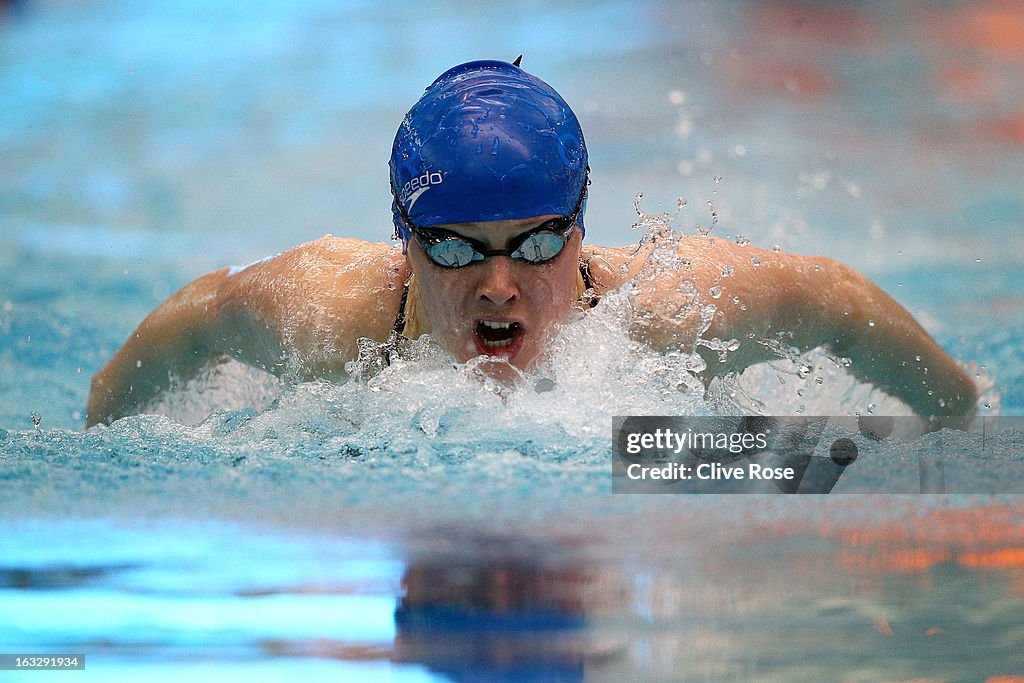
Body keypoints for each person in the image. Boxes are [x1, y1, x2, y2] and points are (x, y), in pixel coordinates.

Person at [85, 59, 978, 427]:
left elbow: (836, 301)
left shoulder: (661, 314)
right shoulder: (328, 319)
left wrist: (959, 424)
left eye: (537, 244)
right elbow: (195, 319)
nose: (500, 286)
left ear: (582, 233)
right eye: (459, 250)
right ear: (404, 246)